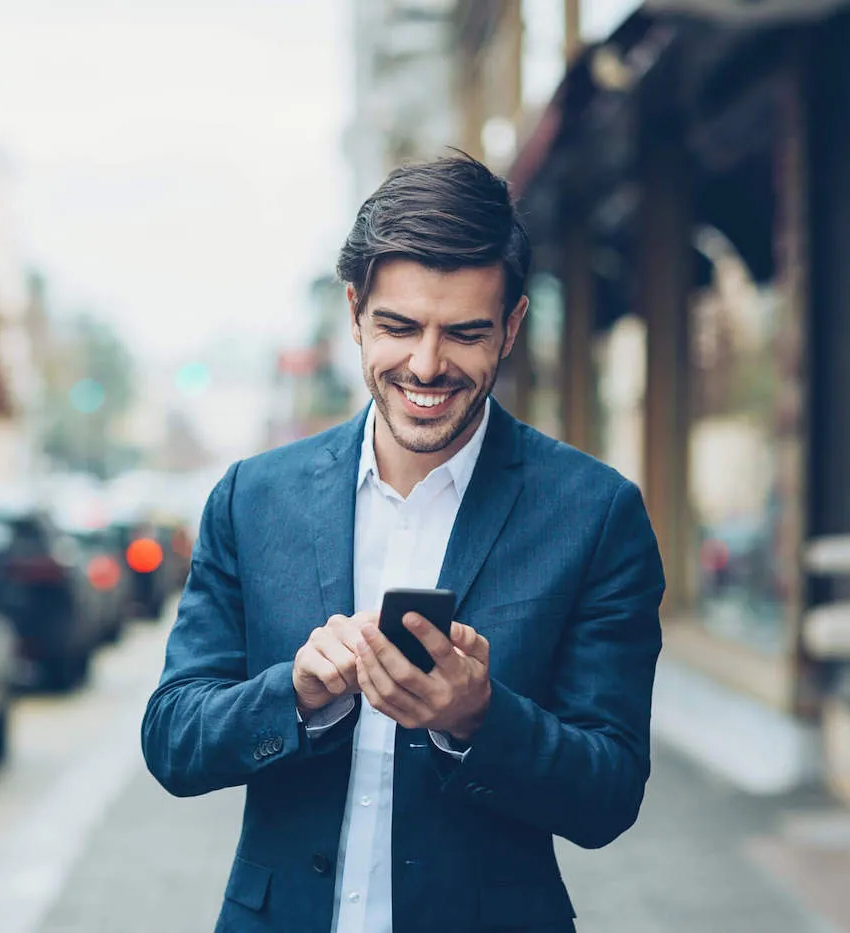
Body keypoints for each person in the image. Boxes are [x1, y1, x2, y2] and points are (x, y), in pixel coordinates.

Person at [141, 153, 665, 933]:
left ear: (512, 326)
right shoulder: (254, 499)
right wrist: (296, 693)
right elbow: (173, 736)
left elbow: (610, 792)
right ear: (354, 311)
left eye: (464, 333)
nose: (426, 364)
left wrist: (479, 718)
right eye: (398, 326)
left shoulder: (596, 514)